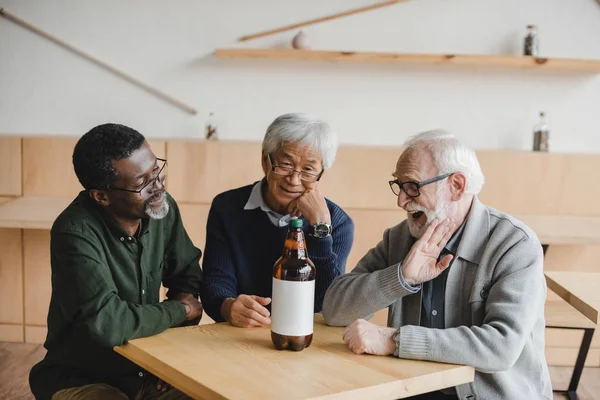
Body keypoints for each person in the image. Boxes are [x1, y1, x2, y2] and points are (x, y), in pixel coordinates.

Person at [322, 130, 552, 399]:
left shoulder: (513, 244)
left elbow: (501, 346)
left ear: (456, 185)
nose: (401, 200)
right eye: (399, 185)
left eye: (412, 186)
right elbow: (335, 310)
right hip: (412, 390)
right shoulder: (400, 238)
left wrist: (394, 340)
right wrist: (401, 277)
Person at [29, 124, 203, 400]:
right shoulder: (74, 232)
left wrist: (170, 359)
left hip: (150, 369)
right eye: (141, 183)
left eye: (156, 170)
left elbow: (186, 274)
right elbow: (109, 323)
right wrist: (180, 311)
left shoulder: (161, 208)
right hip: (84, 376)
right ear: (102, 196)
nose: (157, 186)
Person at [200, 113, 354, 327]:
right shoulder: (228, 207)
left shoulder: (337, 223)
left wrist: (320, 229)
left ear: (321, 173)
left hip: (306, 340)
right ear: (265, 160)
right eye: (285, 165)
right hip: (242, 335)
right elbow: (216, 282)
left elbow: (327, 304)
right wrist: (228, 306)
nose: (294, 180)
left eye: (308, 170)